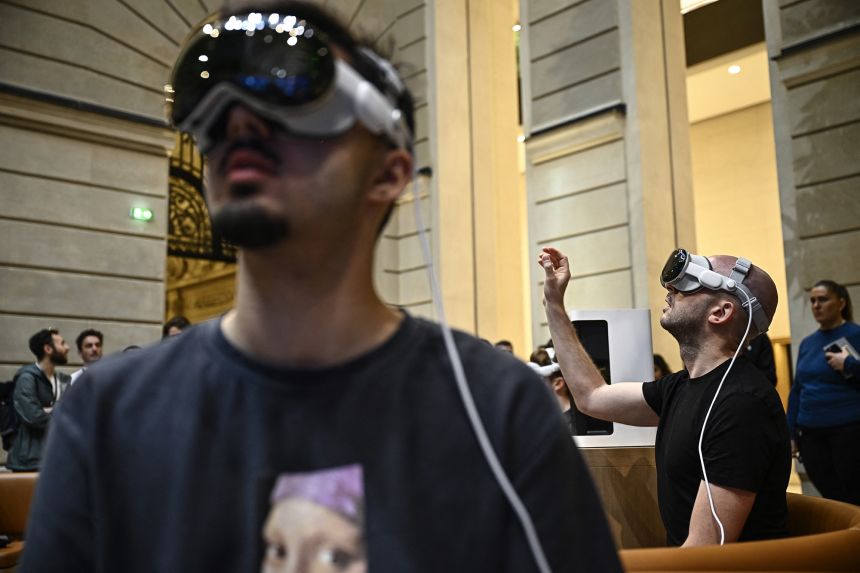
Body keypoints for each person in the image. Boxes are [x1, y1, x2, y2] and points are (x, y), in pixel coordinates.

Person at [22, 3, 621, 571]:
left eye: (291, 89)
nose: (239, 121)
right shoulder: (107, 414)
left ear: (389, 173)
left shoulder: (499, 408)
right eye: (218, 103)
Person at [539, 246, 790, 546]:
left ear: (720, 312)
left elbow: (704, 553)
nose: (670, 289)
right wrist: (553, 303)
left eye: (688, 283)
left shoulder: (742, 405)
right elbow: (592, 396)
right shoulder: (680, 386)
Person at [787, 279, 860, 505]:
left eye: (823, 299)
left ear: (840, 303)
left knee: (854, 494)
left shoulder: (855, 334)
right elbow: (798, 389)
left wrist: (849, 363)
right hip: (811, 434)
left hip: (848, 431)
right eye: (812, 301)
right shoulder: (809, 343)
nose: (816, 305)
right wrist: (791, 434)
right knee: (832, 498)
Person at [6, 328, 70, 472]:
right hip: (30, 461)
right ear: (48, 349)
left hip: (58, 458)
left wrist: (49, 411)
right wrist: (60, 413)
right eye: (62, 343)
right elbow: (34, 417)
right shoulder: (27, 378)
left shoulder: (64, 380)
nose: (67, 347)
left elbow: (74, 414)